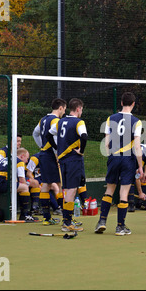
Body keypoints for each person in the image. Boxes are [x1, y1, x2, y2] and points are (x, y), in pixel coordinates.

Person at [95, 92, 146, 236]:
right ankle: (120, 227)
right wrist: (140, 167)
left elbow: (106, 143)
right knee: (124, 192)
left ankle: (102, 221)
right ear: (133, 104)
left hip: (113, 157)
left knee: (109, 189)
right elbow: (137, 146)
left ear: (121, 102)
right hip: (128, 159)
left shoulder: (111, 118)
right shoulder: (137, 121)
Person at [50, 98, 88, 232]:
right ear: (78, 109)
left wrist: (57, 148)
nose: (81, 111)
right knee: (72, 190)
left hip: (62, 160)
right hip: (73, 159)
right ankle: (67, 223)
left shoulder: (61, 122)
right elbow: (84, 136)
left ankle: (67, 221)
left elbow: (49, 135)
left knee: (67, 190)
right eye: (81, 109)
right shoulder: (79, 122)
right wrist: (81, 151)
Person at [32, 98, 67, 226]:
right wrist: (57, 154)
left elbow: (35, 133)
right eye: (64, 109)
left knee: (46, 184)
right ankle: (66, 218)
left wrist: (42, 146)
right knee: (59, 184)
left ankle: (47, 218)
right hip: (51, 155)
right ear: (61, 108)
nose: (64, 111)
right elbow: (54, 138)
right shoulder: (56, 121)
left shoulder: (43, 119)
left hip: (43, 154)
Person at [0, 147, 37, 221]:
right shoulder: (19, 162)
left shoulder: (6, 158)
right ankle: (24, 215)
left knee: (18, 185)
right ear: (22, 156)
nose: (27, 161)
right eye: (27, 158)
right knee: (24, 187)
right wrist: (27, 186)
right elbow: (22, 180)